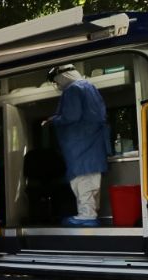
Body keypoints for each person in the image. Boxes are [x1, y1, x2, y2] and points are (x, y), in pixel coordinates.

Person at [43, 64, 109, 227]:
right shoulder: (90, 87)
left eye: (57, 81)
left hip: (79, 145)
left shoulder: (73, 89)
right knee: (92, 180)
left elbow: (71, 116)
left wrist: (54, 120)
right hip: (93, 144)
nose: (57, 85)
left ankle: (87, 215)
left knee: (82, 180)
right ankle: (91, 212)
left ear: (62, 76)